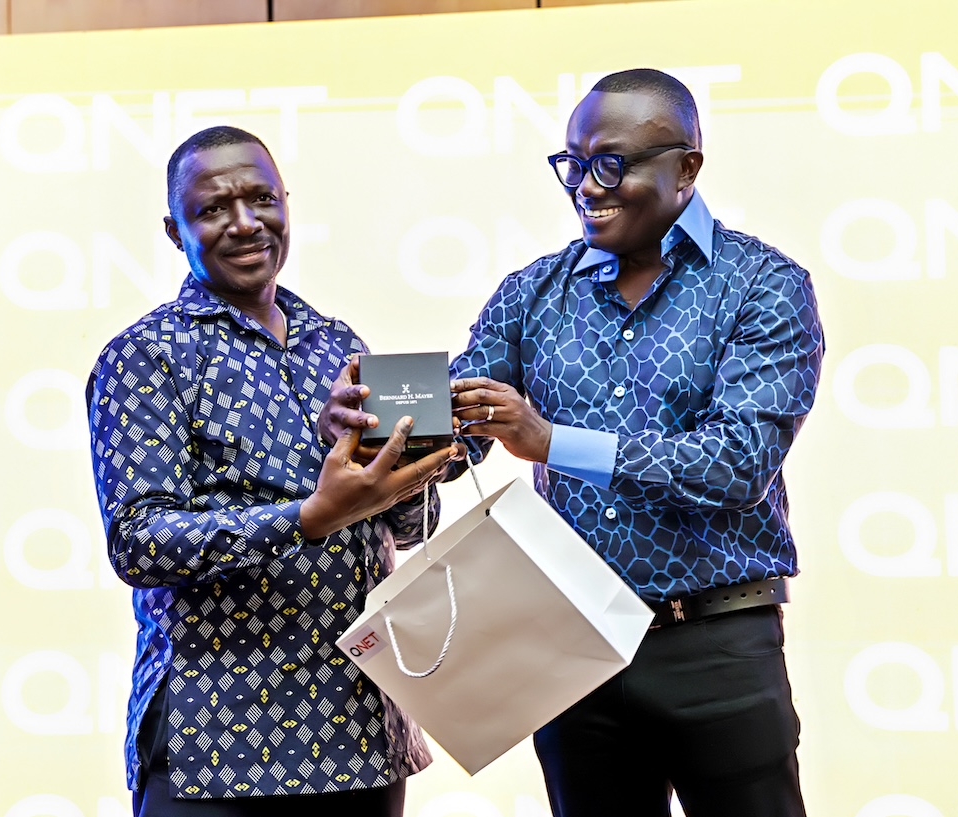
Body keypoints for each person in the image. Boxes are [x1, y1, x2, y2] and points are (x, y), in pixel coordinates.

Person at [324, 68, 824, 816]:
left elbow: (737, 464)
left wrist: (551, 441)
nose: (587, 187)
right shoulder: (533, 292)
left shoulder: (763, 285)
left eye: (611, 164)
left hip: (716, 645)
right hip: (571, 653)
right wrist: (370, 429)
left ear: (686, 168)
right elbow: (458, 433)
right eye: (574, 164)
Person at [86, 126, 460, 817]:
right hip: (218, 742)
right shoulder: (145, 355)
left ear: (287, 204)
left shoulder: (337, 342)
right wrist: (309, 516)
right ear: (174, 231)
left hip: (361, 734)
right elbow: (139, 542)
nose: (244, 223)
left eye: (261, 199)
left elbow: (404, 528)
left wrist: (413, 464)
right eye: (212, 209)